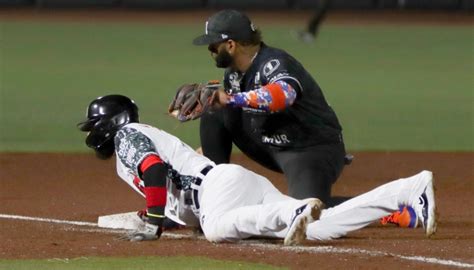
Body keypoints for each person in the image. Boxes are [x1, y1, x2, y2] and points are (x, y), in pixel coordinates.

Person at [78, 95, 437, 243]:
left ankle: (293, 209)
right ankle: (407, 191)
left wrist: (153, 222)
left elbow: (154, 170)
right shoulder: (138, 135)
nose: (93, 134)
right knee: (318, 229)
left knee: (216, 229)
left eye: (95, 126)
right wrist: (159, 214)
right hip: (230, 185)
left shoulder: (127, 136)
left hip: (216, 192)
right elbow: (168, 188)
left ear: (111, 123)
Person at [192, 9, 347, 206]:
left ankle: (383, 210)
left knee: (305, 212)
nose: (210, 51)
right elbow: (228, 113)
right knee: (213, 108)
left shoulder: (273, 62)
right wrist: (205, 153)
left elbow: (285, 94)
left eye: (213, 46)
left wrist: (231, 99)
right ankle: (215, 193)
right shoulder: (233, 73)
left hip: (310, 148)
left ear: (230, 45)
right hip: (271, 140)